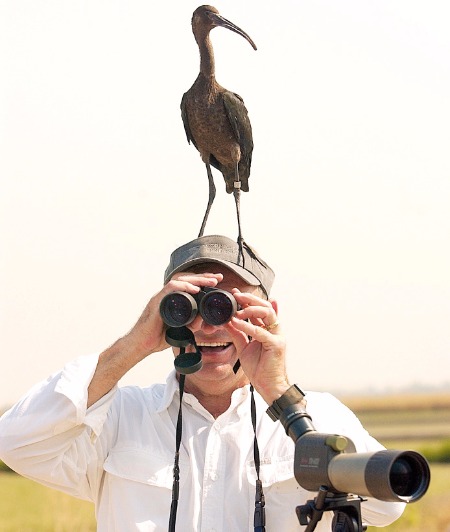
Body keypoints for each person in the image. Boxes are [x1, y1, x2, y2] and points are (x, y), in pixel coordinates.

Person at [0, 235, 404, 531]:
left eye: (229, 305)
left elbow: (388, 506)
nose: (209, 326)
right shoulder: (121, 418)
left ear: (269, 313)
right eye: (188, 306)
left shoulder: (318, 418)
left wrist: (279, 394)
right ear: (164, 314)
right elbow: (16, 442)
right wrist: (131, 346)